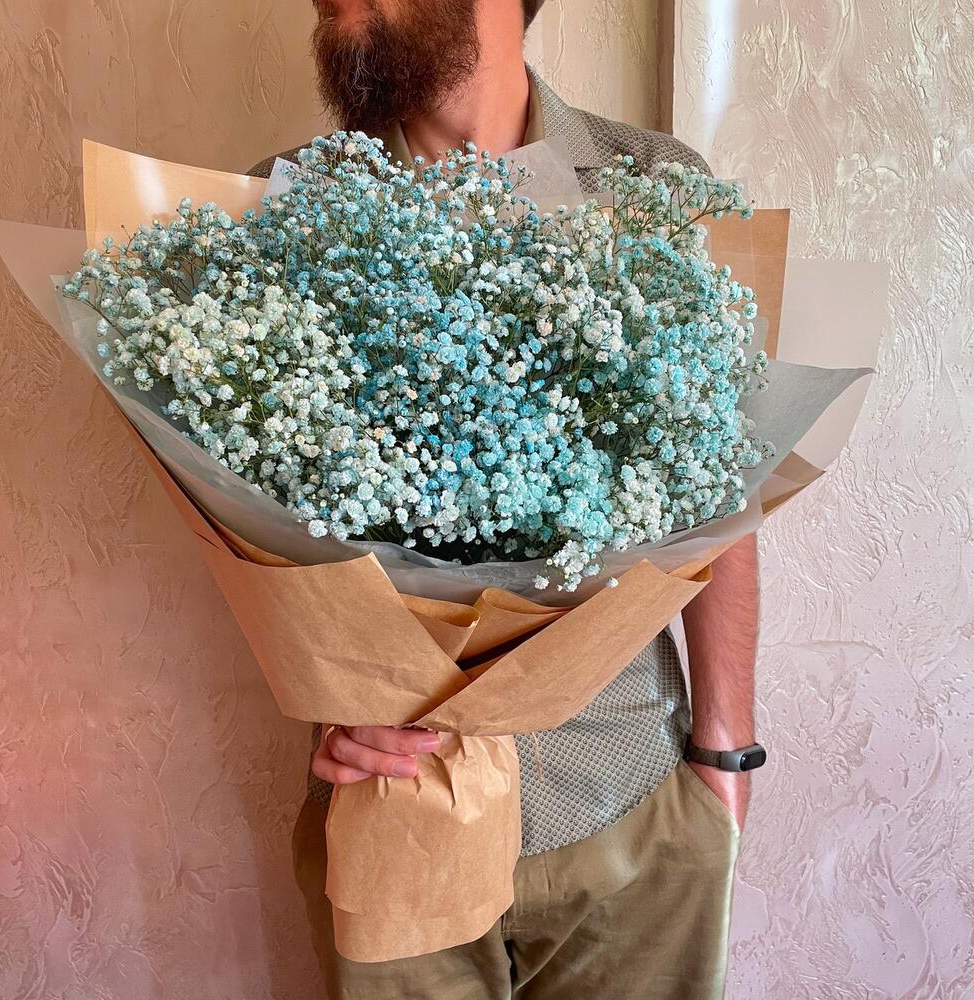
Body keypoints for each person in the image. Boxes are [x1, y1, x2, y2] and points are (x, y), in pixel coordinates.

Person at [247, 1, 765, 997]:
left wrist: (724, 761)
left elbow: (724, 497)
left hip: (629, 799)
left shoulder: (652, 187)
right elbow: (255, 525)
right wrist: (329, 696)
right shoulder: (286, 210)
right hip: (392, 813)